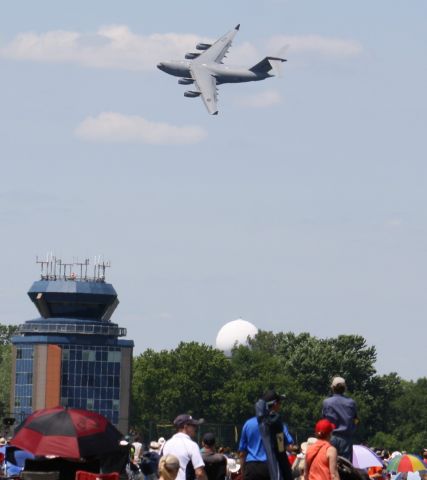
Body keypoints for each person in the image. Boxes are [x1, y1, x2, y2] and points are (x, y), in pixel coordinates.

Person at [239, 390, 293, 480]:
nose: (280, 406)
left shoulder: (248, 424)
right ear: (274, 404)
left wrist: (243, 472)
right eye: (279, 403)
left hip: (251, 467)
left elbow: (242, 453)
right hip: (270, 466)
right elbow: (282, 448)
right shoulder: (278, 424)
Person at [322, 377, 358, 461]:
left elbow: (324, 421)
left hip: (331, 438)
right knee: (346, 467)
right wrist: (353, 428)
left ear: (333, 388)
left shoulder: (327, 402)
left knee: (330, 464)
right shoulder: (351, 403)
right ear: (344, 388)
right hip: (346, 439)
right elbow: (356, 420)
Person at [162, 414, 207, 480]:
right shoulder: (192, 445)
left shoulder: (166, 444)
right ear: (185, 427)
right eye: (193, 425)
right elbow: (199, 473)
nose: (196, 428)